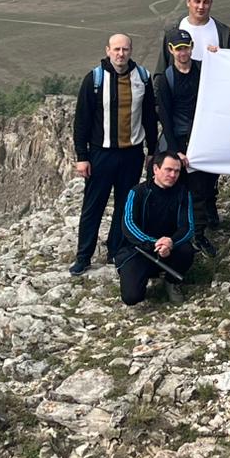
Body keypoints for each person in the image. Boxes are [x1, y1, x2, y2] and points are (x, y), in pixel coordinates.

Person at [70, 33, 157, 276]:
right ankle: (83, 256)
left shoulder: (143, 77)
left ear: (131, 51)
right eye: (116, 49)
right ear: (108, 50)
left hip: (132, 153)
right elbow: (82, 120)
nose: (121, 54)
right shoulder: (94, 79)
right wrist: (82, 156)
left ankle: (115, 250)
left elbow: (150, 116)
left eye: (125, 49)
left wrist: (152, 151)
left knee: (124, 205)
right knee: (93, 206)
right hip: (101, 153)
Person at [153, 29, 218, 258]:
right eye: (178, 49)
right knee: (174, 186)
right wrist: (175, 151)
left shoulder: (204, 70)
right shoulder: (165, 80)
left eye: (187, 47)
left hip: (202, 137)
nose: (183, 53)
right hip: (177, 139)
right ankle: (171, 233)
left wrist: (218, 55)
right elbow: (165, 117)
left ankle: (199, 234)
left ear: (192, 47)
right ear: (171, 50)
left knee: (201, 187)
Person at [116, 152, 195, 306]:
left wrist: (170, 242)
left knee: (186, 250)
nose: (173, 175)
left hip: (170, 248)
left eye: (177, 171)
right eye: (168, 170)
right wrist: (154, 243)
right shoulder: (137, 192)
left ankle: (171, 281)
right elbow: (128, 225)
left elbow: (188, 227)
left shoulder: (183, 193)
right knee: (132, 297)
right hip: (140, 249)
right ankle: (142, 274)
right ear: (155, 169)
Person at [156, 0, 230, 74]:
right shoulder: (172, 32)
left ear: (211, 4)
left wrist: (222, 56)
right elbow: (161, 70)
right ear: (188, 2)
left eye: (206, 2)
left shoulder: (224, 33)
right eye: (197, 1)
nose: (201, 6)